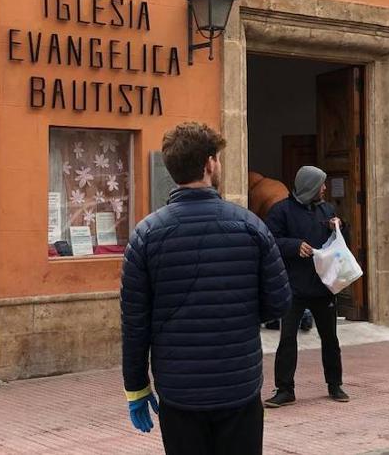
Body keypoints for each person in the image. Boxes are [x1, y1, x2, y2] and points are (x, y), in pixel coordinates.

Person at [120, 122, 290, 454]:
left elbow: (134, 324)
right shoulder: (251, 226)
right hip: (237, 385)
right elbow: (279, 302)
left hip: (179, 390)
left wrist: (136, 388)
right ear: (210, 164)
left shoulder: (145, 235)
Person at [263, 166, 348, 407]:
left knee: (330, 338)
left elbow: (340, 245)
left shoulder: (327, 209)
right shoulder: (281, 211)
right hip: (293, 288)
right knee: (288, 339)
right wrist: (294, 245)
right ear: (310, 186)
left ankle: (335, 385)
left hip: (323, 287)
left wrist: (339, 228)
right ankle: (285, 389)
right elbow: (269, 242)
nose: (324, 188)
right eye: (321, 184)